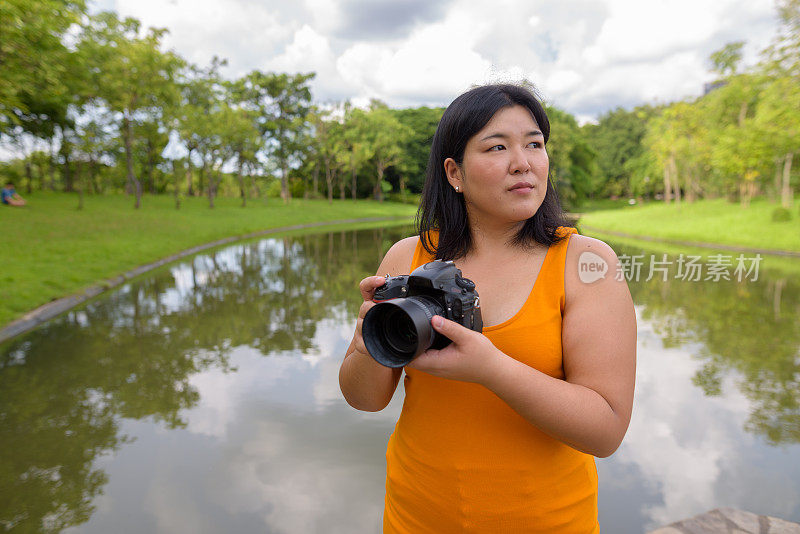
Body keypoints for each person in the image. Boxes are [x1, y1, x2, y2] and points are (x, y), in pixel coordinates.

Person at [339, 83, 637, 533]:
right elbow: (364, 399)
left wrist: (491, 368)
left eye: (534, 144)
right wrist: (370, 341)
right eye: (497, 146)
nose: (523, 162)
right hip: (414, 517)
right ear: (454, 173)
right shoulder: (409, 258)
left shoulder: (586, 263)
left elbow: (606, 430)